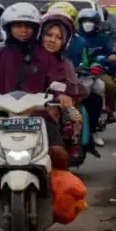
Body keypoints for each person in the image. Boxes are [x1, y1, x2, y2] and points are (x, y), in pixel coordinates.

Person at [0, 3, 79, 172]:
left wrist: (60, 94)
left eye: (28, 26)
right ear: (8, 28)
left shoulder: (45, 56)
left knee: (58, 153)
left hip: (39, 116)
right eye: (18, 26)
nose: (23, 30)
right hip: (2, 116)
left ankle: (58, 192)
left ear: (35, 29)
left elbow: (57, 80)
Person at [38, 9, 86, 156]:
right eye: (48, 35)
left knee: (73, 117)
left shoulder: (65, 64)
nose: (52, 40)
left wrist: (63, 94)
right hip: (19, 109)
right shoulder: (25, 57)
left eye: (59, 37)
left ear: (65, 42)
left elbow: (78, 89)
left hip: (52, 109)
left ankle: (66, 153)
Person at [77, 7, 116, 126]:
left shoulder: (103, 37)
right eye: (84, 21)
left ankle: (109, 111)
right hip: (78, 71)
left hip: (98, 70)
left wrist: (109, 57)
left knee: (110, 85)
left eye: (90, 21)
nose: (87, 24)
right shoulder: (76, 37)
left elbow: (111, 51)